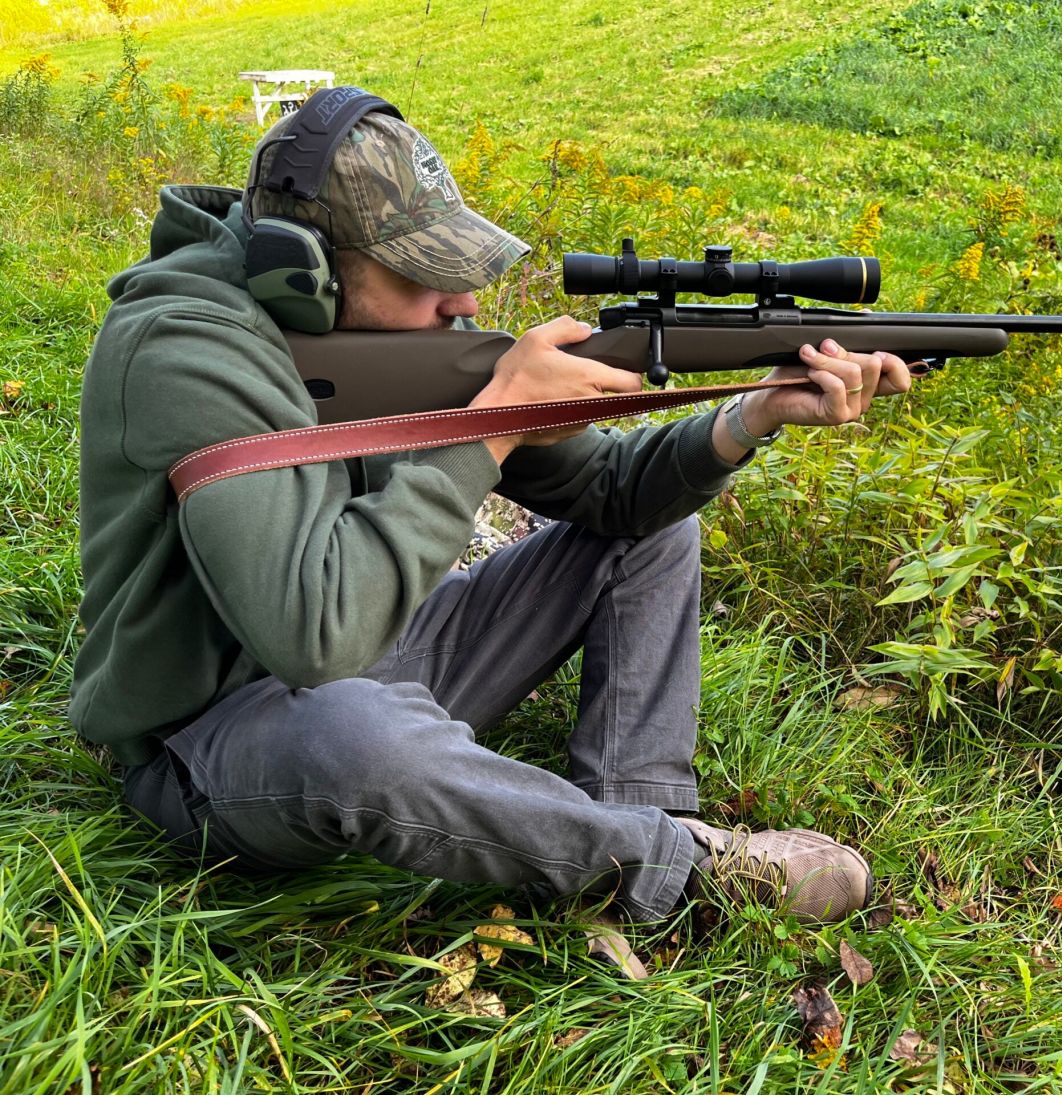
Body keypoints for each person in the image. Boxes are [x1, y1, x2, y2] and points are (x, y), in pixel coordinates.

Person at [71, 88, 911, 929]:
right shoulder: (181, 350)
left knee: (656, 531)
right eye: (422, 273)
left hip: (366, 648)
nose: (461, 304)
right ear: (302, 269)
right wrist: (487, 431)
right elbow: (315, 639)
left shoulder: (368, 335)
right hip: (211, 747)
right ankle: (679, 870)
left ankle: (646, 807)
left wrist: (749, 418)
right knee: (358, 730)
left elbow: (616, 495)